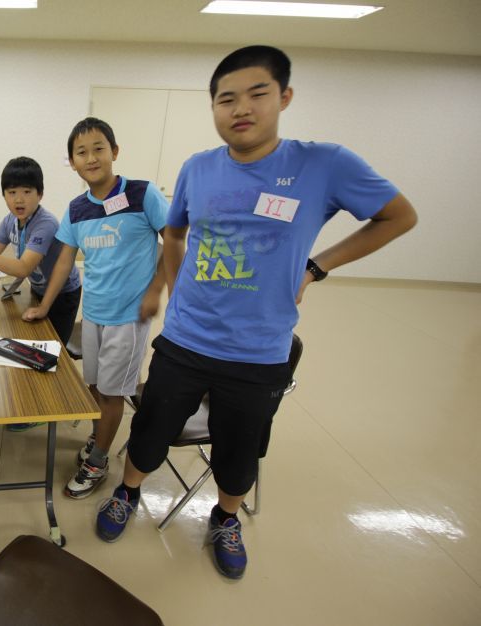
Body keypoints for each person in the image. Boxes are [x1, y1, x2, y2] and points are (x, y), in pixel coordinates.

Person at [95, 45, 417, 580]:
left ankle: (224, 518)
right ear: (214, 108)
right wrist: (175, 287)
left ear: (284, 98)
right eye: (226, 99)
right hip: (185, 339)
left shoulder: (323, 163)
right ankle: (127, 493)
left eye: (257, 94)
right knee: (151, 427)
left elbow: (397, 216)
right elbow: (174, 231)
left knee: (241, 448)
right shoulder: (198, 168)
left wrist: (316, 267)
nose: (240, 108)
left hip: (259, 349)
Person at [23, 118, 169, 499]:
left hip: (129, 317)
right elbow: (63, 262)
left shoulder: (143, 194)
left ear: (115, 152)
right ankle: (98, 437)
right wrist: (46, 306)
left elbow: (174, 240)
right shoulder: (76, 209)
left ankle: (99, 461)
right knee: (93, 386)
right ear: (71, 162)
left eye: (98, 148)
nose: (91, 157)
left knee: (111, 393)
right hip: (94, 313)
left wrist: (157, 289)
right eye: (81, 152)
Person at [0, 157, 83, 431]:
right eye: (12, 192)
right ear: (4, 195)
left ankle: (45, 409)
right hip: (39, 288)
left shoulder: (45, 223)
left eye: (27, 191)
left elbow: (23, 266)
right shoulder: (11, 220)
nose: (19, 198)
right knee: (32, 346)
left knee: (50, 354)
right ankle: (30, 402)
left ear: (40, 193)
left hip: (63, 294)